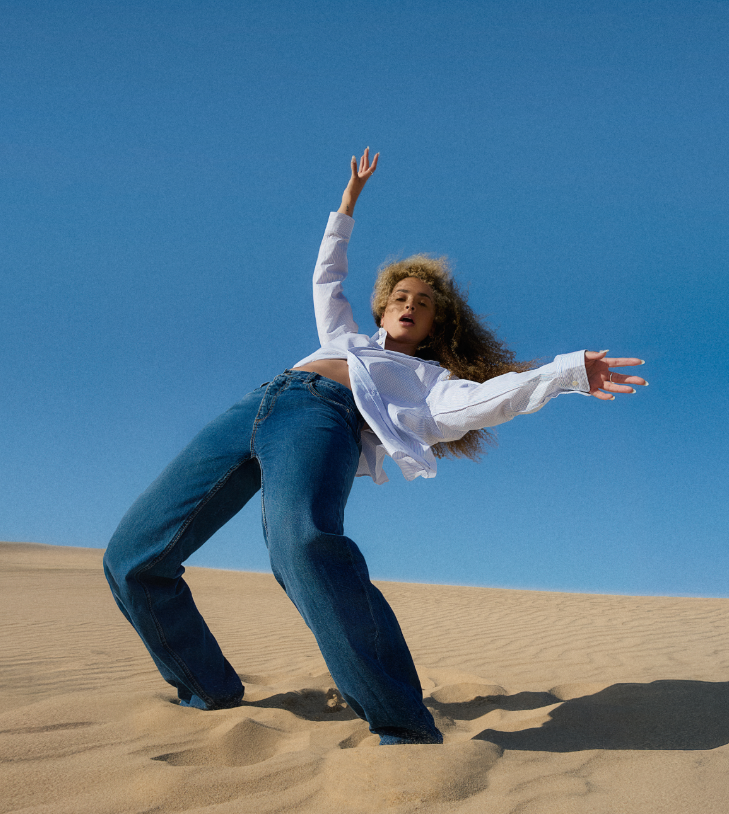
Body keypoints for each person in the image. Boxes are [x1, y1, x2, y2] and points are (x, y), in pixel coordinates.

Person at [103, 148, 647, 745]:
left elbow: (493, 398)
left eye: (423, 302)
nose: (410, 304)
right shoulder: (342, 336)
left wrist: (566, 373)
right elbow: (325, 277)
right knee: (133, 557)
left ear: (437, 325)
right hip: (253, 406)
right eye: (400, 297)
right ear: (383, 308)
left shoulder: (432, 385)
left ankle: (403, 725)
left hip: (321, 420)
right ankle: (206, 688)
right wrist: (347, 206)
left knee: (302, 549)